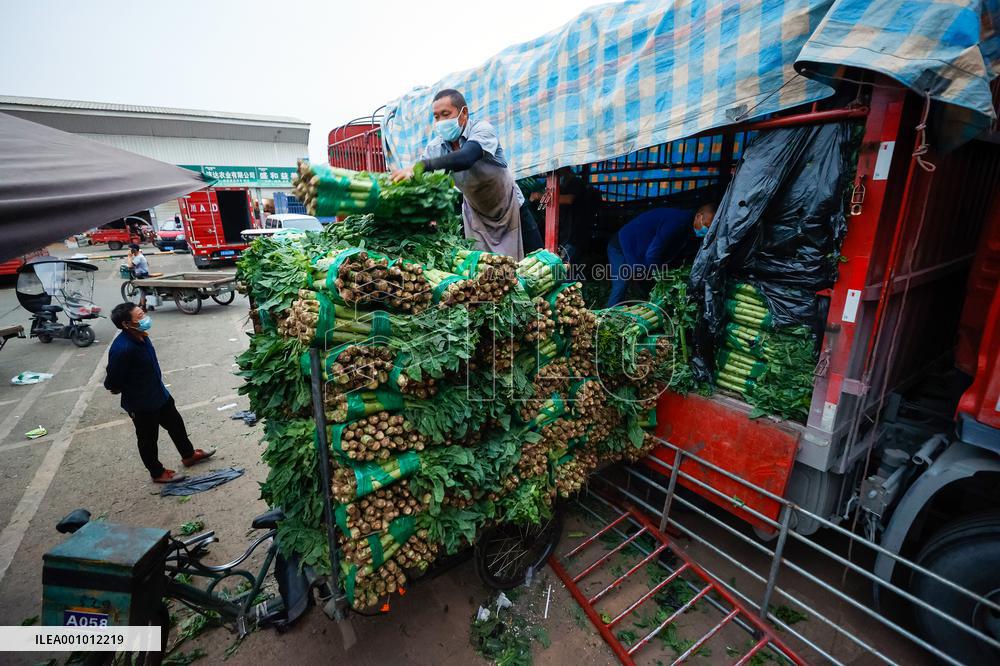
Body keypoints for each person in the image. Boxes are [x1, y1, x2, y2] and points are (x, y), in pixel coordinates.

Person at [391, 89, 541, 259]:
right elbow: (422, 183)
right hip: (476, 216)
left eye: (446, 114)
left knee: (536, 261)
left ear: (464, 113)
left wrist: (422, 166)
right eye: (436, 117)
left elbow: (467, 157)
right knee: (487, 272)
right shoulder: (435, 148)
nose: (441, 121)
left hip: (510, 209)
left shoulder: (482, 130)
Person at [104, 302, 215, 483]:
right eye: (140, 317)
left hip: (159, 393)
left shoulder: (141, 335)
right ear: (126, 324)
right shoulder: (122, 349)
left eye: (143, 314)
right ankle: (157, 473)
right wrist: (119, 388)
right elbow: (112, 380)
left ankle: (188, 455)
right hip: (141, 403)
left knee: (176, 425)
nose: (145, 319)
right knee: (148, 439)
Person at [606, 202, 716, 306]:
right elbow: (652, 254)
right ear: (698, 216)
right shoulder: (676, 222)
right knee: (621, 285)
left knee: (646, 285)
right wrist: (660, 277)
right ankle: (604, 320)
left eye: (710, 228)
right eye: (706, 225)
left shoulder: (687, 225)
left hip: (639, 251)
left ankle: (644, 311)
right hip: (620, 246)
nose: (706, 230)